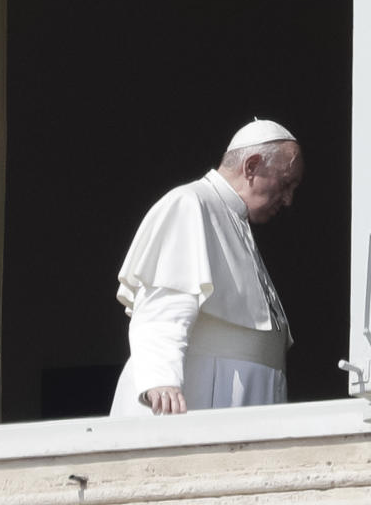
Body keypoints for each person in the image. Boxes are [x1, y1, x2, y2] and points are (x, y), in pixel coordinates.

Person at [109, 120, 303, 416]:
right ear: (251, 166)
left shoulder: (235, 219)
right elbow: (163, 302)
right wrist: (162, 379)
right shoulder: (190, 204)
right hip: (203, 396)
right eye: (286, 183)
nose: (289, 199)